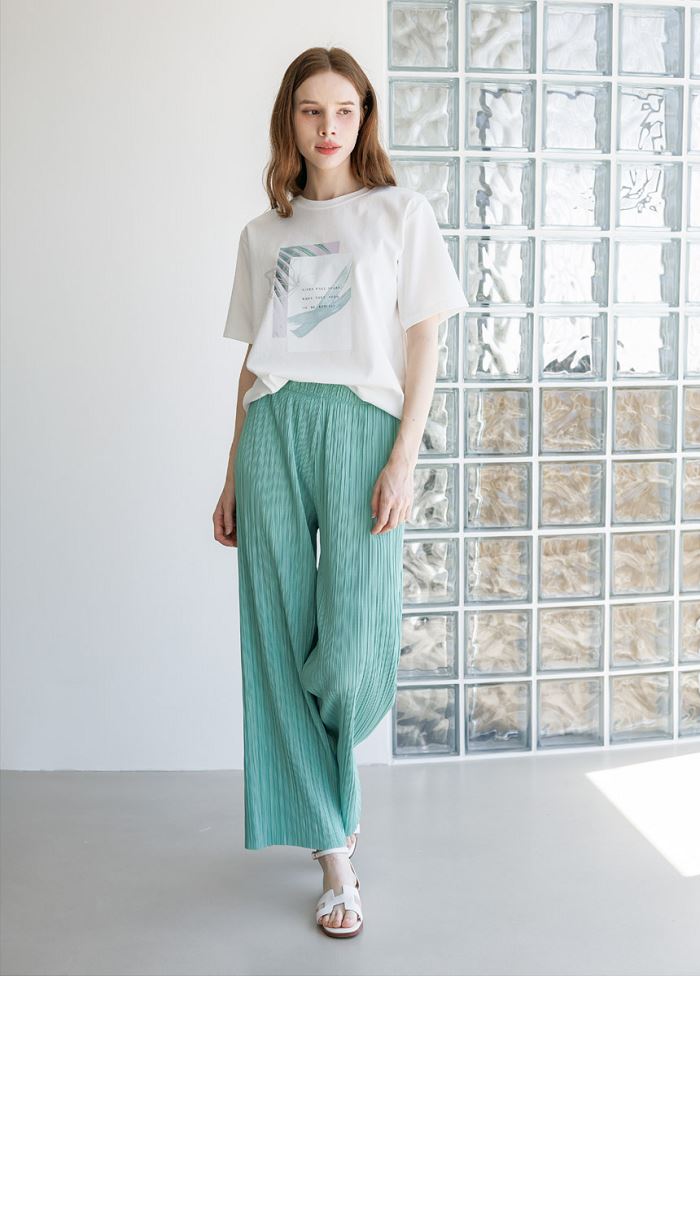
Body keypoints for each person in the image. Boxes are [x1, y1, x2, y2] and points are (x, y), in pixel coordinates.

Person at [213, 46, 468, 939]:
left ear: (365, 119)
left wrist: (404, 459)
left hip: (363, 430)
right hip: (275, 427)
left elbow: (426, 340)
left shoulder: (400, 213)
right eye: (311, 110)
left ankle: (327, 797)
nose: (329, 128)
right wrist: (231, 469)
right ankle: (333, 853)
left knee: (354, 646)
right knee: (276, 635)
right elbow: (253, 362)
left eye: (345, 111)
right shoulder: (264, 232)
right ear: (289, 118)